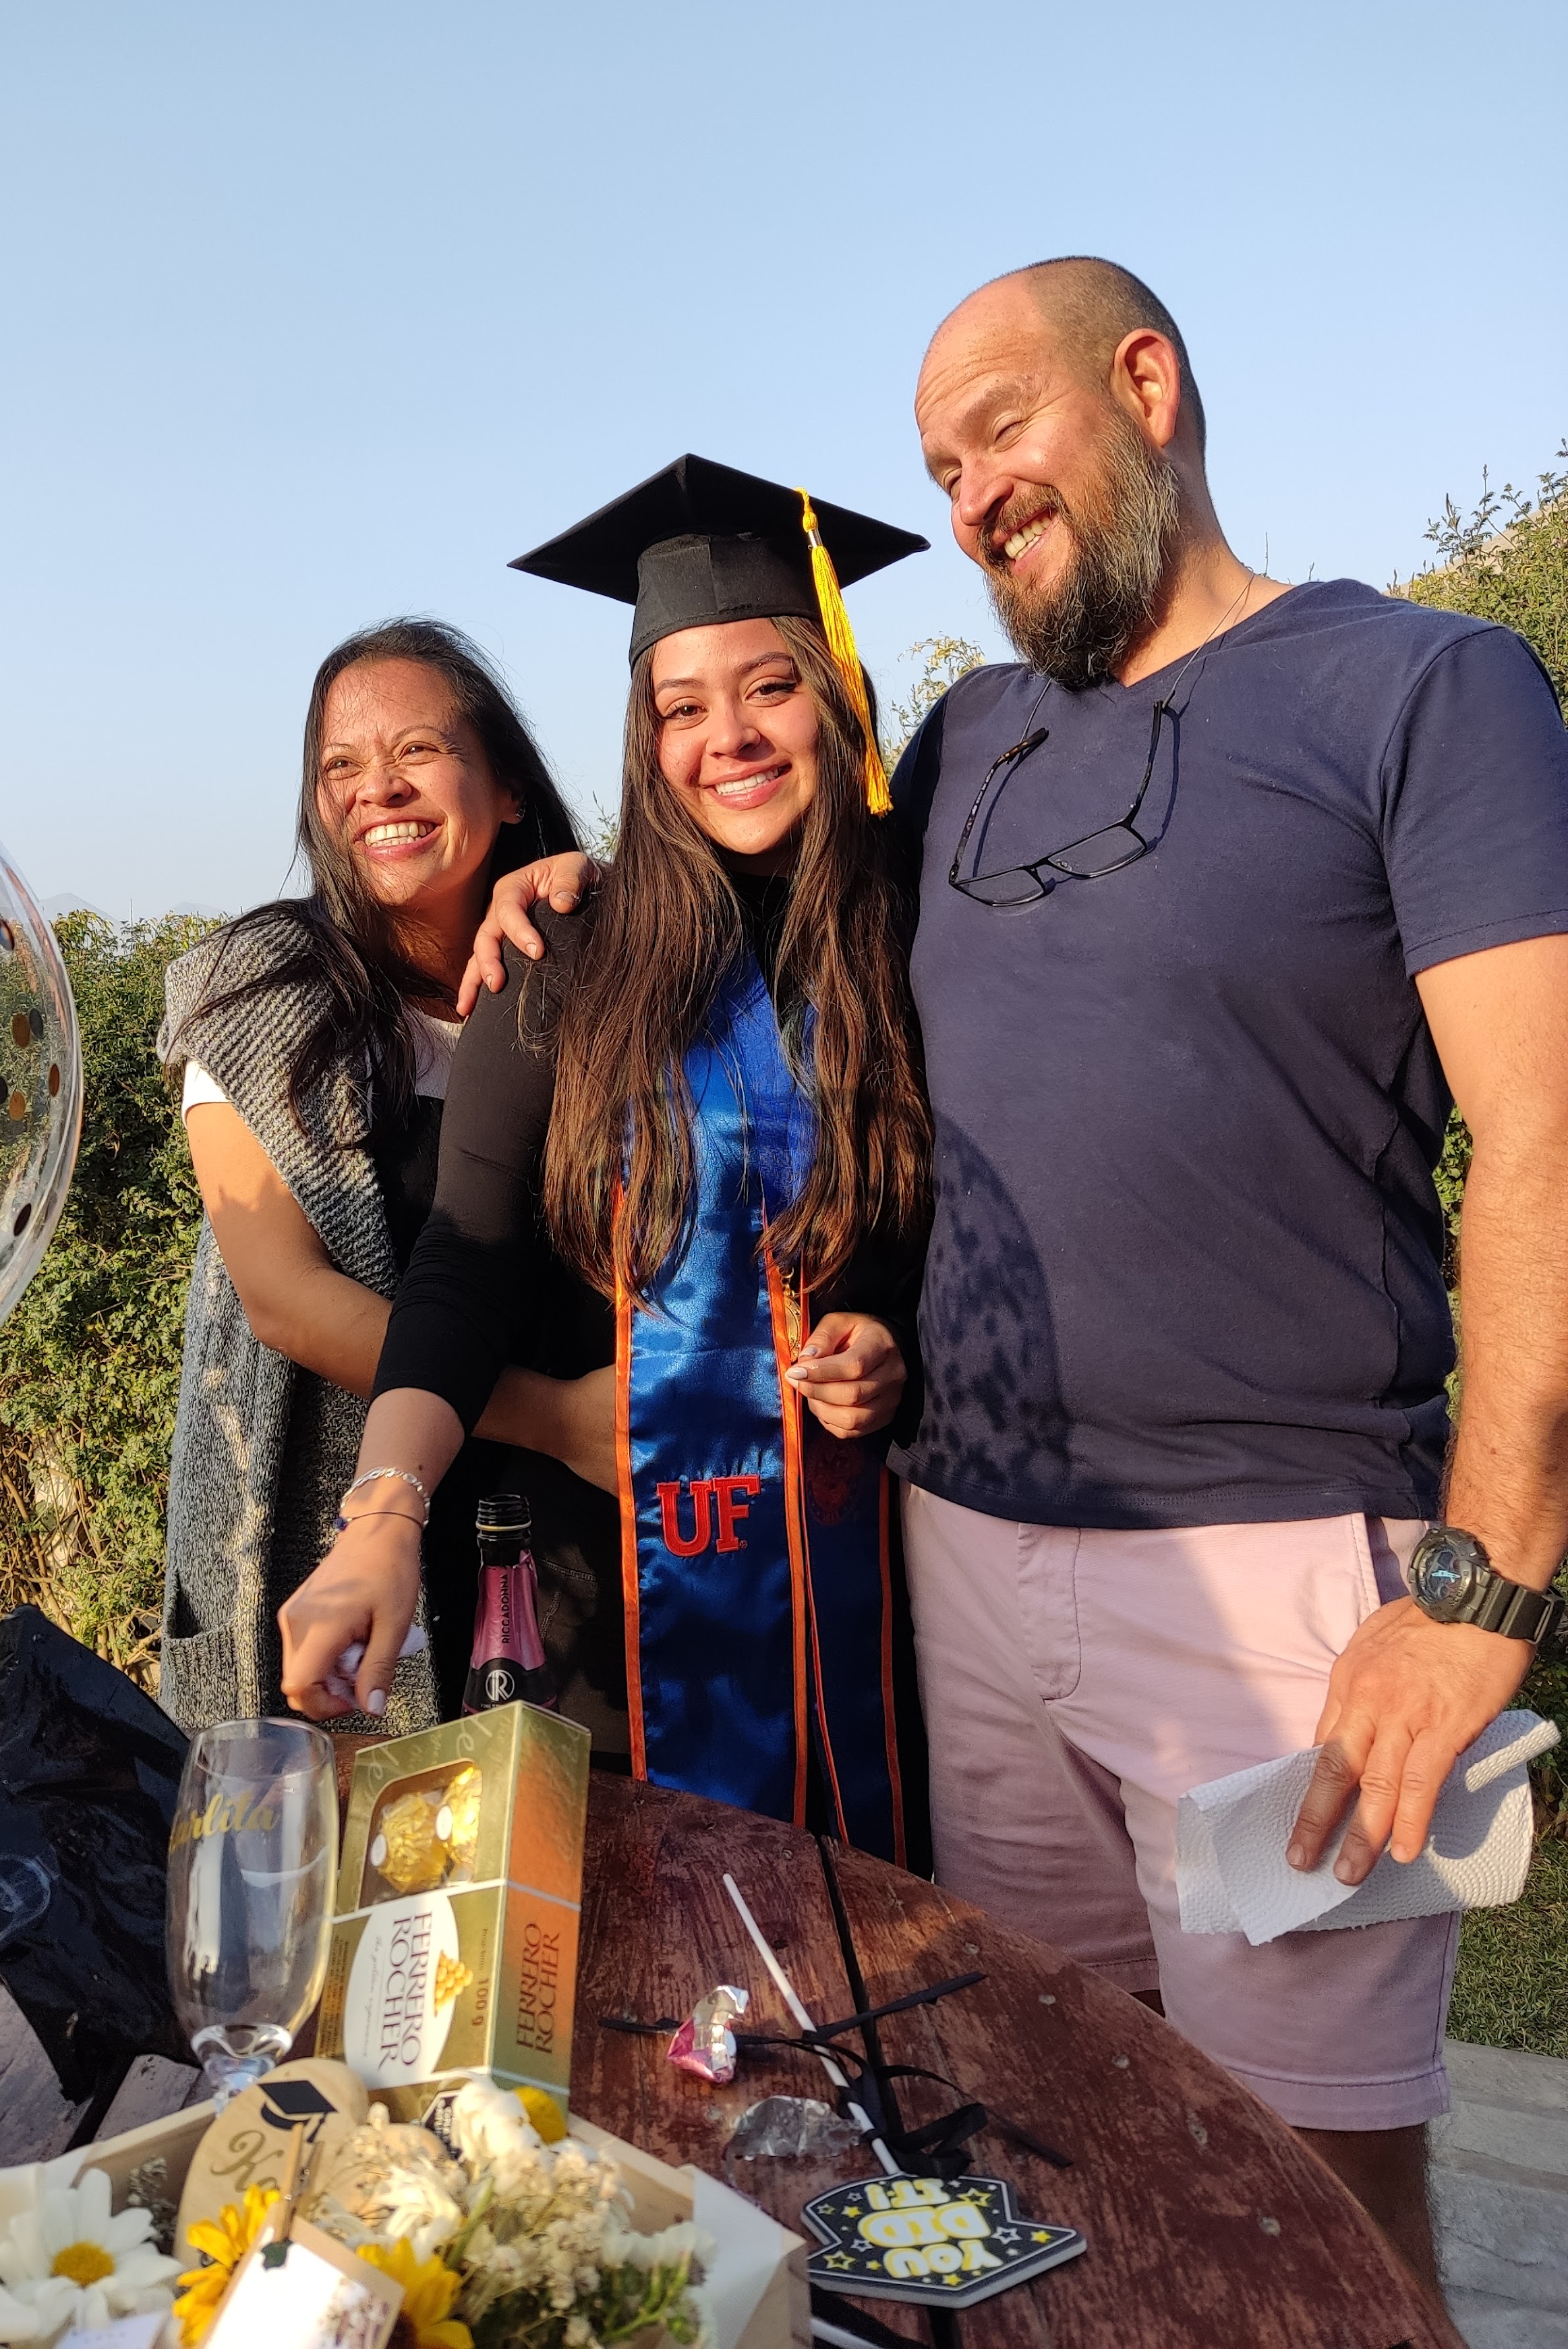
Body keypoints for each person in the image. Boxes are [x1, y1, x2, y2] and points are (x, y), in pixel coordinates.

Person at [463, 264, 1568, 2296]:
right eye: (940, 467)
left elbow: (1547, 1143)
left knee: (1312, 2204)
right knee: (1056, 2129)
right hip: (961, 1571)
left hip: (1267, 1578)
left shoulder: (1419, 688)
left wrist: (1483, 1589)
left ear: (1147, 385)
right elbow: (775, 887)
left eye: (1003, 427)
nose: (972, 493)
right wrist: (570, 880)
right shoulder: (968, 743)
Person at [279, 459, 933, 1849]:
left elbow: (937, 1235)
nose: (728, 738)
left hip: (888, 1610)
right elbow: (466, 1259)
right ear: (646, 738)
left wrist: (889, 1338)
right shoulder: (566, 951)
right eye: (680, 707)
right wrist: (384, 1513)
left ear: (837, 693)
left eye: (771, 687)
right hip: (616, 1610)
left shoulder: (913, 931)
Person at [155, 617, 612, 1732]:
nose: (378, 790)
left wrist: (609, 887)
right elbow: (286, 1299)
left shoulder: (589, 970)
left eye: (418, 750)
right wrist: (560, 1419)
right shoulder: (258, 992)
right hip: (361, 1515)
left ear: (509, 785)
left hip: (577, 1542)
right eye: (341, 767)